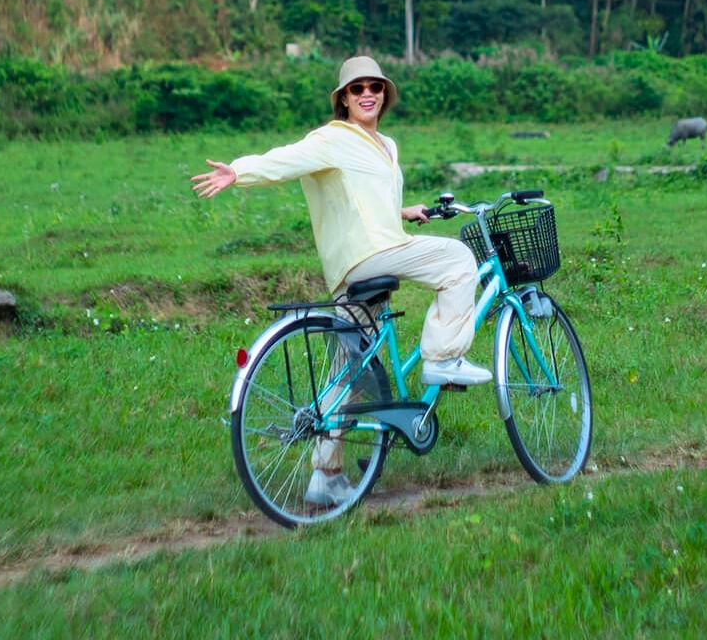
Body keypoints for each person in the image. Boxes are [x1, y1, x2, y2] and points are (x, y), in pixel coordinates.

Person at [190, 55, 489, 506]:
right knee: (461, 261)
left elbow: (367, 201)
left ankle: (326, 476)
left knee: (352, 371)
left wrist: (405, 213)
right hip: (371, 255)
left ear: (384, 94)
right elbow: (285, 160)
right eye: (357, 89)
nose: (367, 93)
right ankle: (444, 358)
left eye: (375, 86)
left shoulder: (386, 145)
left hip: (363, 258)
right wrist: (239, 172)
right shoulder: (331, 138)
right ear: (343, 100)